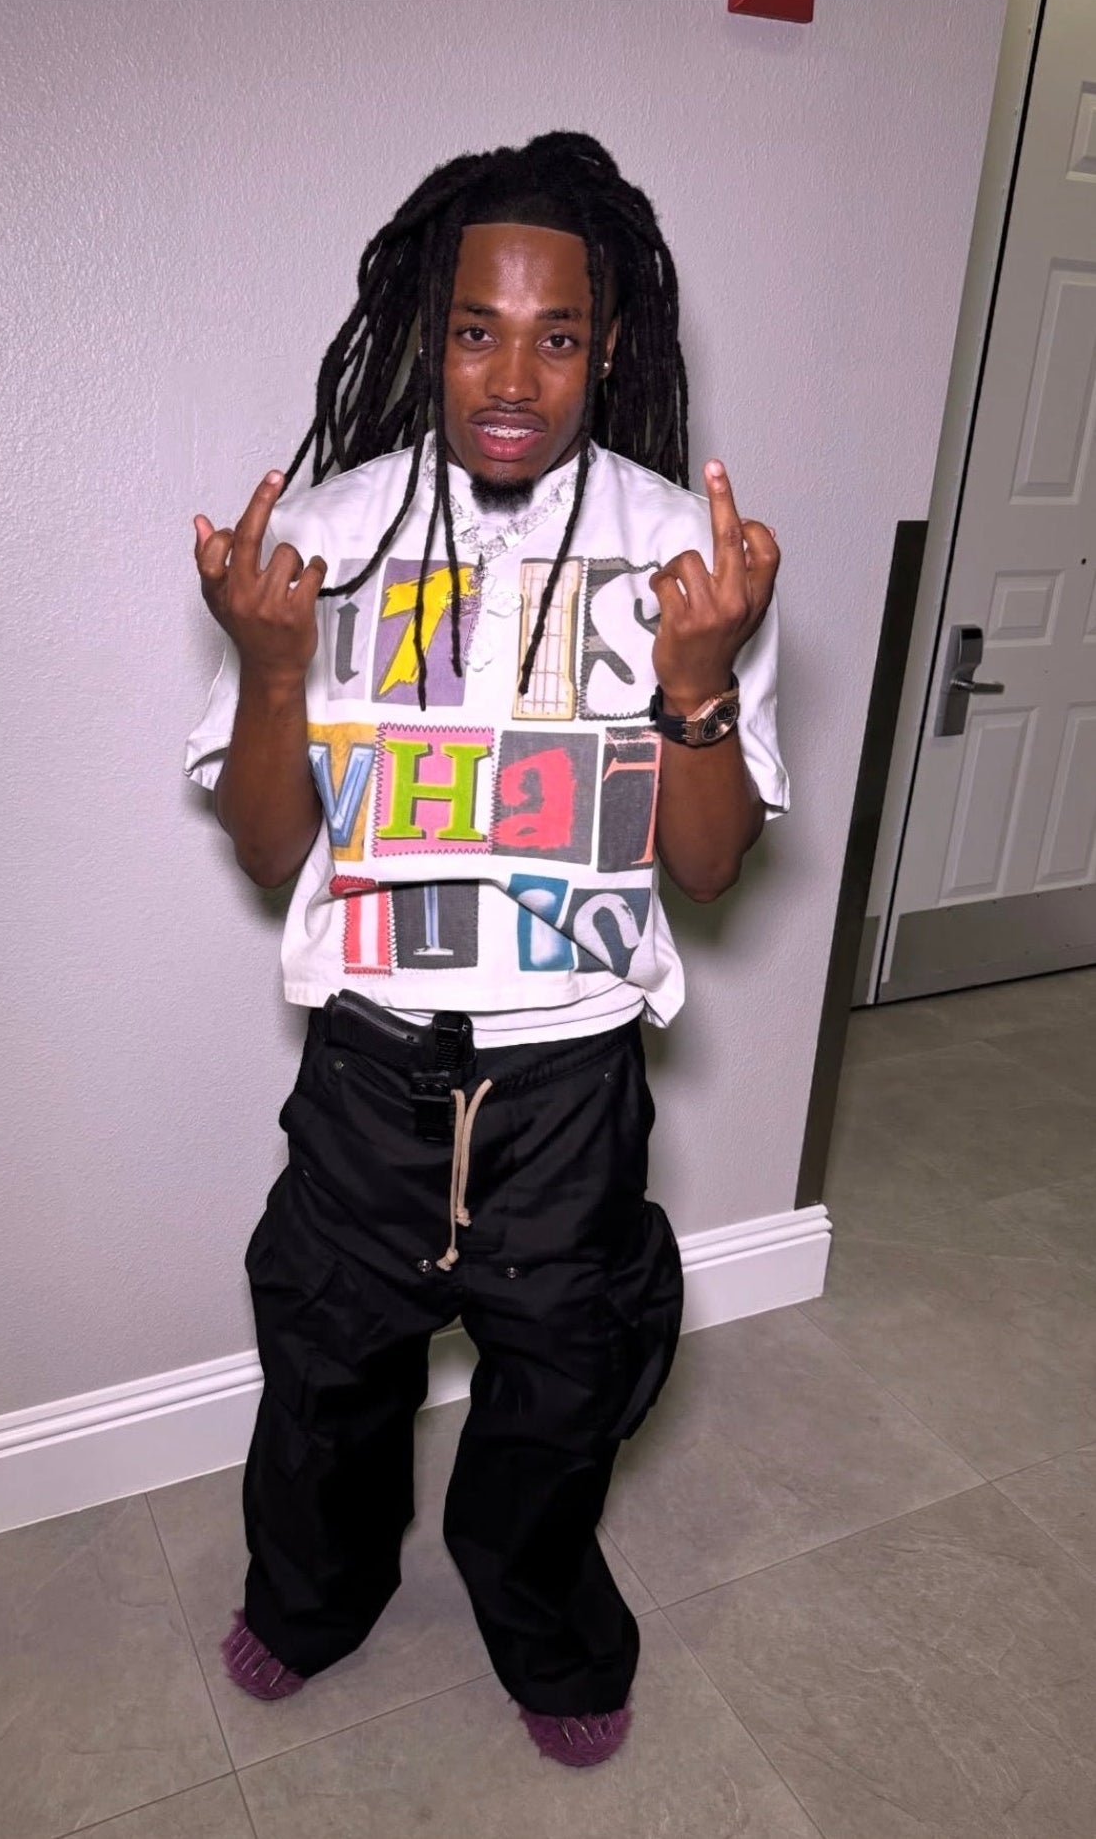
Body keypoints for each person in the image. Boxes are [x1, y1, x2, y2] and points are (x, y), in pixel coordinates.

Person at [184, 131, 786, 1768]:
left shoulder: (689, 560)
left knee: (561, 1398)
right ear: (424, 332)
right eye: (474, 330)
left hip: (569, 1083)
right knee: (326, 1378)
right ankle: (312, 1600)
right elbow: (266, 850)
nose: (511, 377)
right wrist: (270, 672)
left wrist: (698, 681)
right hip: (368, 1071)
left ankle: (543, 1625)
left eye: (556, 335)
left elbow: (709, 867)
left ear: (611, 344)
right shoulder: (324, 536)